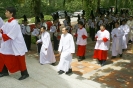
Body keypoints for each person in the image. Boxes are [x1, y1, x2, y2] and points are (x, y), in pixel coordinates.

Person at [0, 7, 29, 80]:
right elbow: (2, 29)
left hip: (17, 44)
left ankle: (25, 73)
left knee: (20, 59)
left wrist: (1, 35)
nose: (5, 13)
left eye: (7, 12)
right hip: (9, 44)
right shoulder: (7, 22)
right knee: (2, 55)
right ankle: (4, 71)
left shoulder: (15, 23)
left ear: (11, 13)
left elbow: (9, 36)